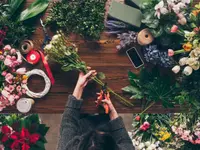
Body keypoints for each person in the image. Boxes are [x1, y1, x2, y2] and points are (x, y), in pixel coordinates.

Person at [57, 69, 135, 150]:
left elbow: (69, 123)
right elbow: (125, 141)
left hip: (82, 128)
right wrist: (111, 111)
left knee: (81, 120)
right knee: (104, 120)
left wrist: (80, 86)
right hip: (106, 128)